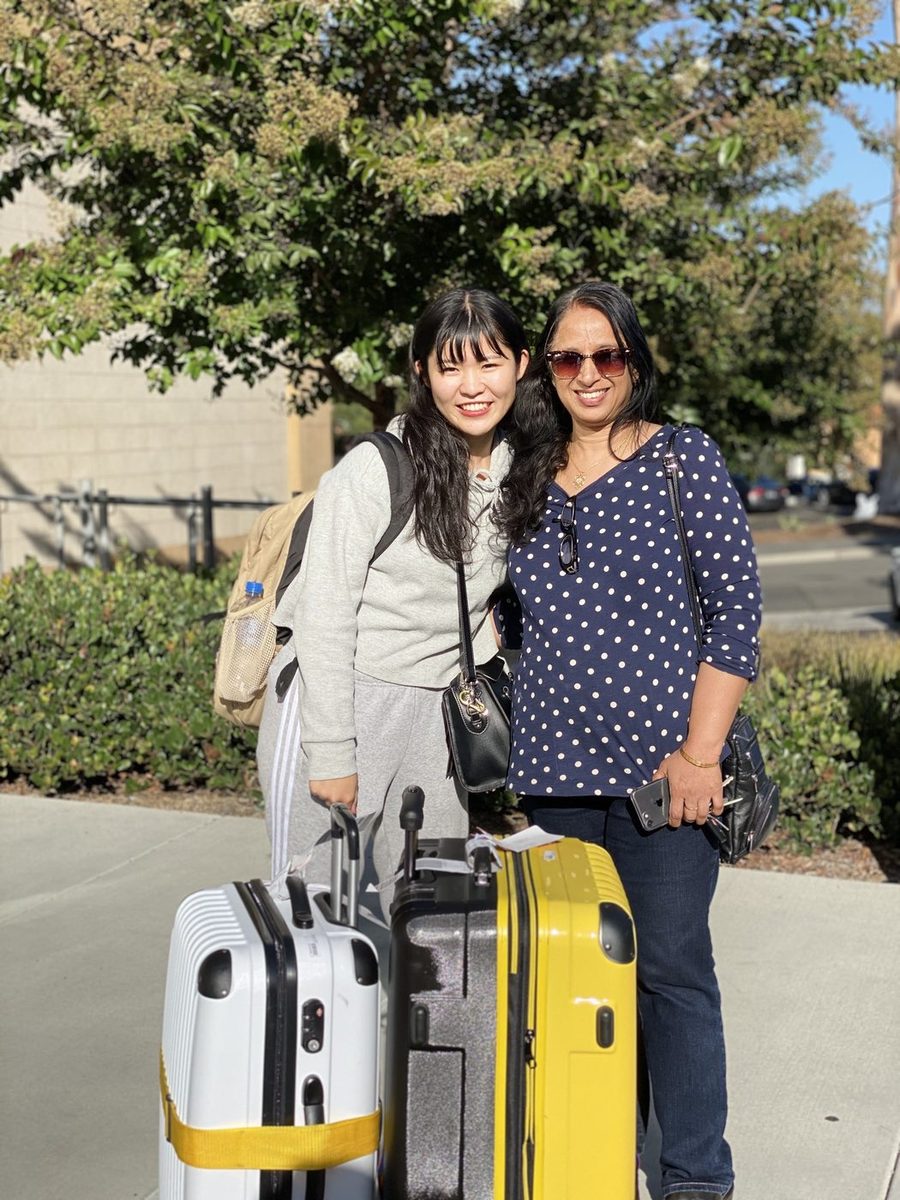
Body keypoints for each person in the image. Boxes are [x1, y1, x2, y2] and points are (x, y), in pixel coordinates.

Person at [495, 280, 761, 1200]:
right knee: (579, 985)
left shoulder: (683, 459)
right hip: (558, 783)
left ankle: (695, 1180)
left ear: (634, 362)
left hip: (664, 778)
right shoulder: (523, 475)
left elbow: (737, 617)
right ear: (548, 370)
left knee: (673, 976)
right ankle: (590, 1162)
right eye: (569, 357)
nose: (588, 373)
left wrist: (700, 754)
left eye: (606, 354)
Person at [256, 287, 529, 917]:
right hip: (343, 697)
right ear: (422, 373)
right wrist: (331, 753)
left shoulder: (521, 466)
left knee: (435, 913)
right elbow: (321, 615)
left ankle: (415, 1023)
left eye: (488, 362)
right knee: (311, 909)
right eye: (450, 365)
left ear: (520, 364)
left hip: (439, 712)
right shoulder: (377, 468)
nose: (471, 385)